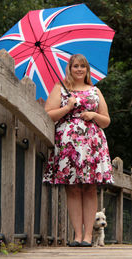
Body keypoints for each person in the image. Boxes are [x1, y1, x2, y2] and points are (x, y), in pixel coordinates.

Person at [43, 54, 113, 247]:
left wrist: (93, 115)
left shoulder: (95, 90)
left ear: (87, 70)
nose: (79, 69)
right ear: (70, 68)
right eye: (76, 66)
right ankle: (77, 236)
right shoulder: (60, 88)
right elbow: (48, 114)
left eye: (83, 66)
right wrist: (67, 107)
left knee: (90, 187)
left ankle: (88, 237)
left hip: (92, 144)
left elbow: (106, 121)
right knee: (72, 187)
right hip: (68, 145)